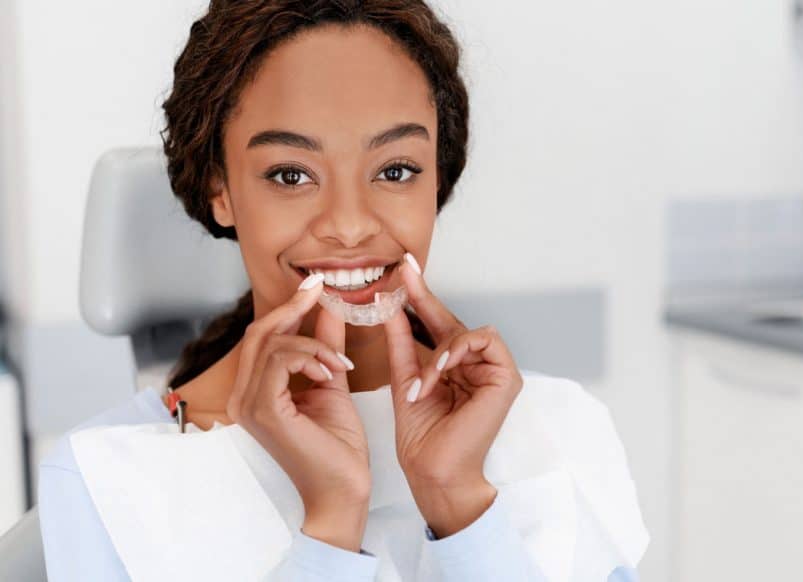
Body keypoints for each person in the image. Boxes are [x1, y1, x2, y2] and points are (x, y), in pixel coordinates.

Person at [37, 1, 647, 580]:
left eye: (395, 170)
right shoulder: (110, 480)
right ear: (220, 189)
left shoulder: (559, 430)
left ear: (437, 179)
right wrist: (331, 521)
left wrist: (459, 500)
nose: (351, 225)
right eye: (291, 174)